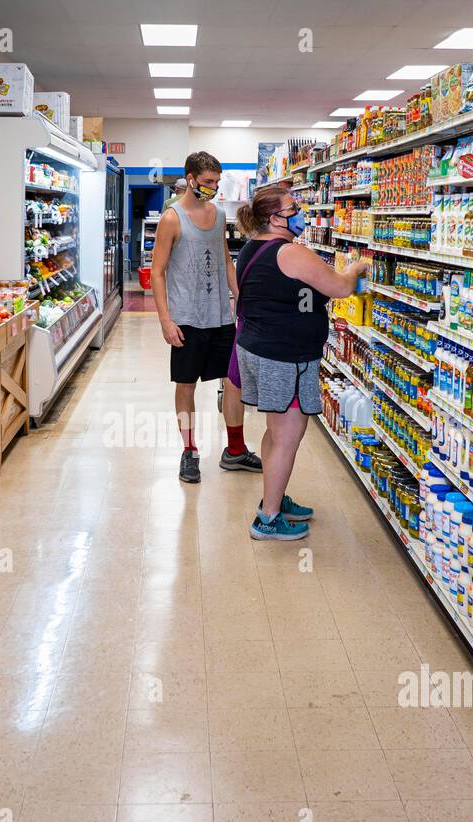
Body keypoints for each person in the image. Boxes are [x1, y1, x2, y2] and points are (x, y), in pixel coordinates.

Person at [233, 186, 370, 540]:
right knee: (287, 437)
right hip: (284, 358)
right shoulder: (291, 253)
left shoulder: (252, 247)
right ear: (275, 218)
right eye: (294, 208)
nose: (301, 213)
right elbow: (340, 287)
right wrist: (356, 268)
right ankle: (268, 519)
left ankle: (272, 497)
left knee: (276, 432)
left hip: (259, 350)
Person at [150, 151, 260, 483]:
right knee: (186, 387)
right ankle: (189, 451)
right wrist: (166, 321)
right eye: (208, 182)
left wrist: (240, 299)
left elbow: (227, 261)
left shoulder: (217, 214)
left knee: (233, 384)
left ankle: (236, 449)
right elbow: (157, 272)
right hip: (186, 319)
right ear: (191, 178)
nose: (212, 188)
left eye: (216, 181)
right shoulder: (172, 218)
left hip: (221, 318)